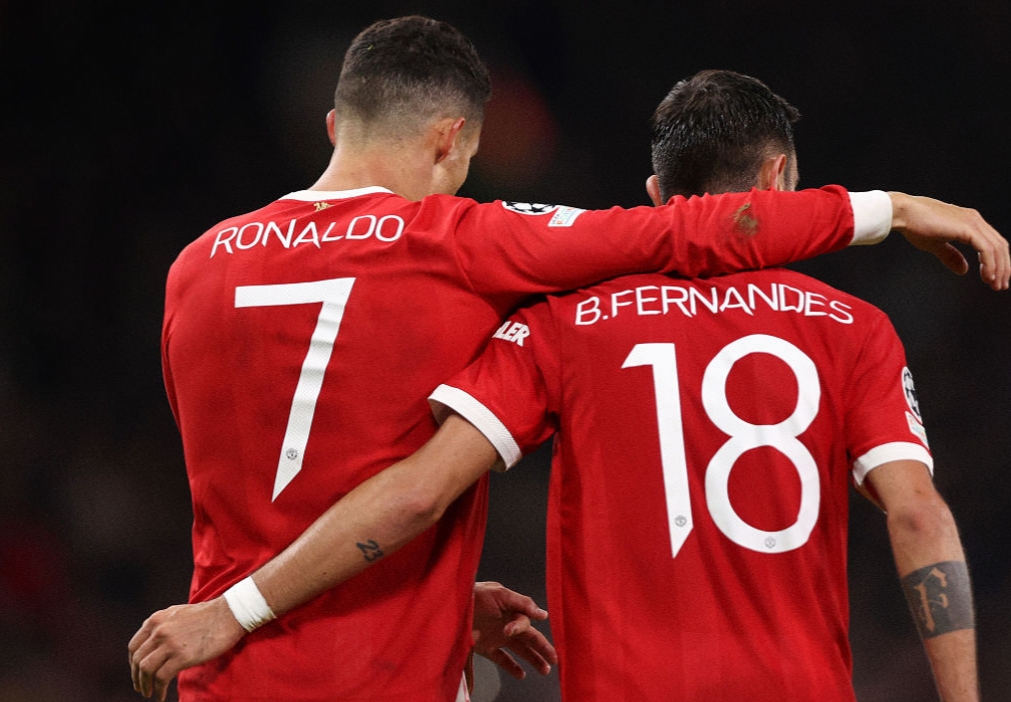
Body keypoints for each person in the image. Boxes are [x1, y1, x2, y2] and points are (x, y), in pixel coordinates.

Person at [129, 14, 1007, 702]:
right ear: (450, 139)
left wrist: (412, 596)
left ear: (334, 125)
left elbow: (292, 470)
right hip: (381, 674)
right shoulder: (461, 239)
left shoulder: (194, 267)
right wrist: (891, 208)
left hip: (223, 665)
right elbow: (689, 234)